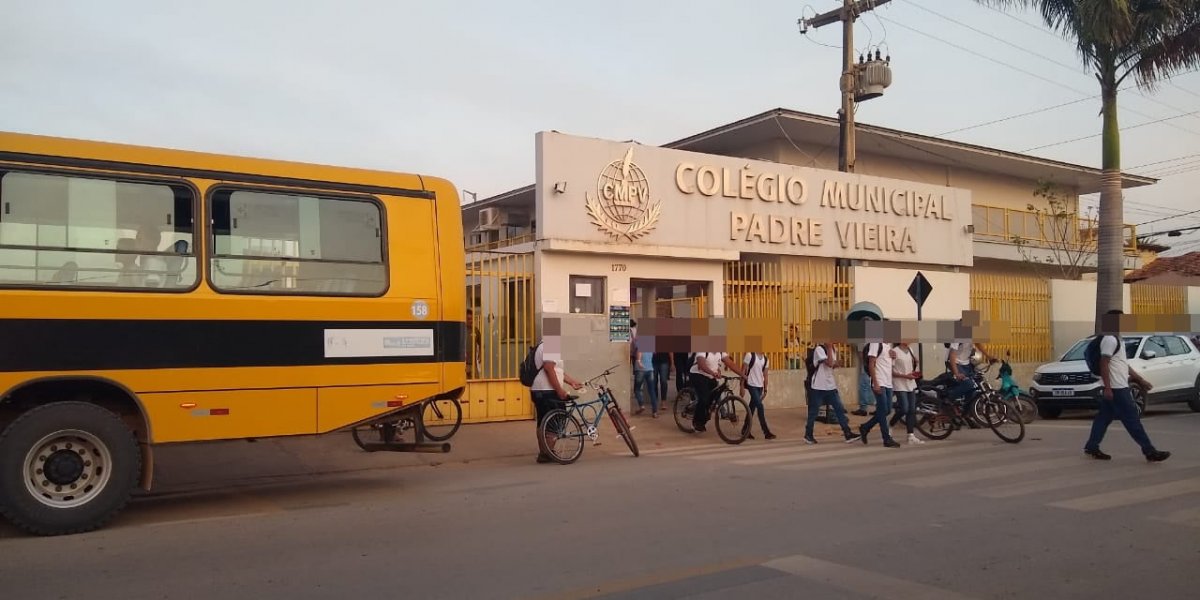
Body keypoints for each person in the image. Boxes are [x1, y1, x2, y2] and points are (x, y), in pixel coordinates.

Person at [1084, 310, 1170, 462]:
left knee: (1103, 418)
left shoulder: (1118, 339)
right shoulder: (1110, 339)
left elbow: (1123, 364)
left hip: (1118, 386)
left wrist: (1140, 380)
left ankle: (1091, 447)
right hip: (1117, 388)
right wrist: (1108, 388)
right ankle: (1149, 451)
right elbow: (1104, 363)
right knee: (1132, 420)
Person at [530, 339, 583, 463]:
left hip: (538, 390)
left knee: (543, 422)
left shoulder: (541, 345)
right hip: (548, 391)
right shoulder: (550, 345)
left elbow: (556, 370)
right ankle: (547, 453)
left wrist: (572, 382)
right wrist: (559, 390)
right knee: (555, 421)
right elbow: (549, 369)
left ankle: (544, 452)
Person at [804, 343, 862, 444]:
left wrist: (837, 362)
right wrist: (830, 348)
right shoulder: (819, 349)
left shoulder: (833, 349)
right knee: (813, 412)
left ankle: (847, 433)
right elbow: (830, 363)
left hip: (830, 385)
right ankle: (808, 434)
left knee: (839, 409)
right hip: (818, 386)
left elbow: (832, 365)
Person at [688, 350, 744, 433]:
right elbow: (701, 364)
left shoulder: (720, 352)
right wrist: (712, 372)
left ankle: (704, 416)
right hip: (698, 375)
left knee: (712, 398)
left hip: (711, 376)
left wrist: (743, 375)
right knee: (704, 398)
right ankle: (696, 422)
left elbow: (730, 364)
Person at [859, 339, 901, 448]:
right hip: (879, 381)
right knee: (882, 411)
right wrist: (876, 383)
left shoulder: (888, 345)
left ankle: (865, 427)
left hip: (888, 383)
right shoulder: (876, 343)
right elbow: (871, 364)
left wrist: (893, 357)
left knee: (887, 410)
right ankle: (886, 438)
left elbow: (888, 365)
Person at [891, 341, 924, 445]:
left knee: (912, 410)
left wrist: (915, 364)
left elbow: (911, 367)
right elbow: (891, 372)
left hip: (910, 383)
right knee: (904, 408)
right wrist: (905, 376)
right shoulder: (894, 351)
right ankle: (890, 424)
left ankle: (911, 435)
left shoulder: (910, 350)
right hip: (899, 383)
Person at [741, 351, 775, 439]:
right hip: (751, 385)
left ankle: (745, 429)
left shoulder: (766, 359)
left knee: (751, 408)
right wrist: (741, 386)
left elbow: (765, 375)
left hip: (760, 386)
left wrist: (765, 389)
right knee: (760, 406)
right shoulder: (750, 355)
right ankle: (766, 432)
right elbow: (743, 370)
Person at [633, 347, 659, 417]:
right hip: (650, 369)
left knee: (637, 389)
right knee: (652, 391)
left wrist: (638, 361)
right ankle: (655, 412)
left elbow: (639, 351)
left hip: (640, 369)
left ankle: (641, 405)